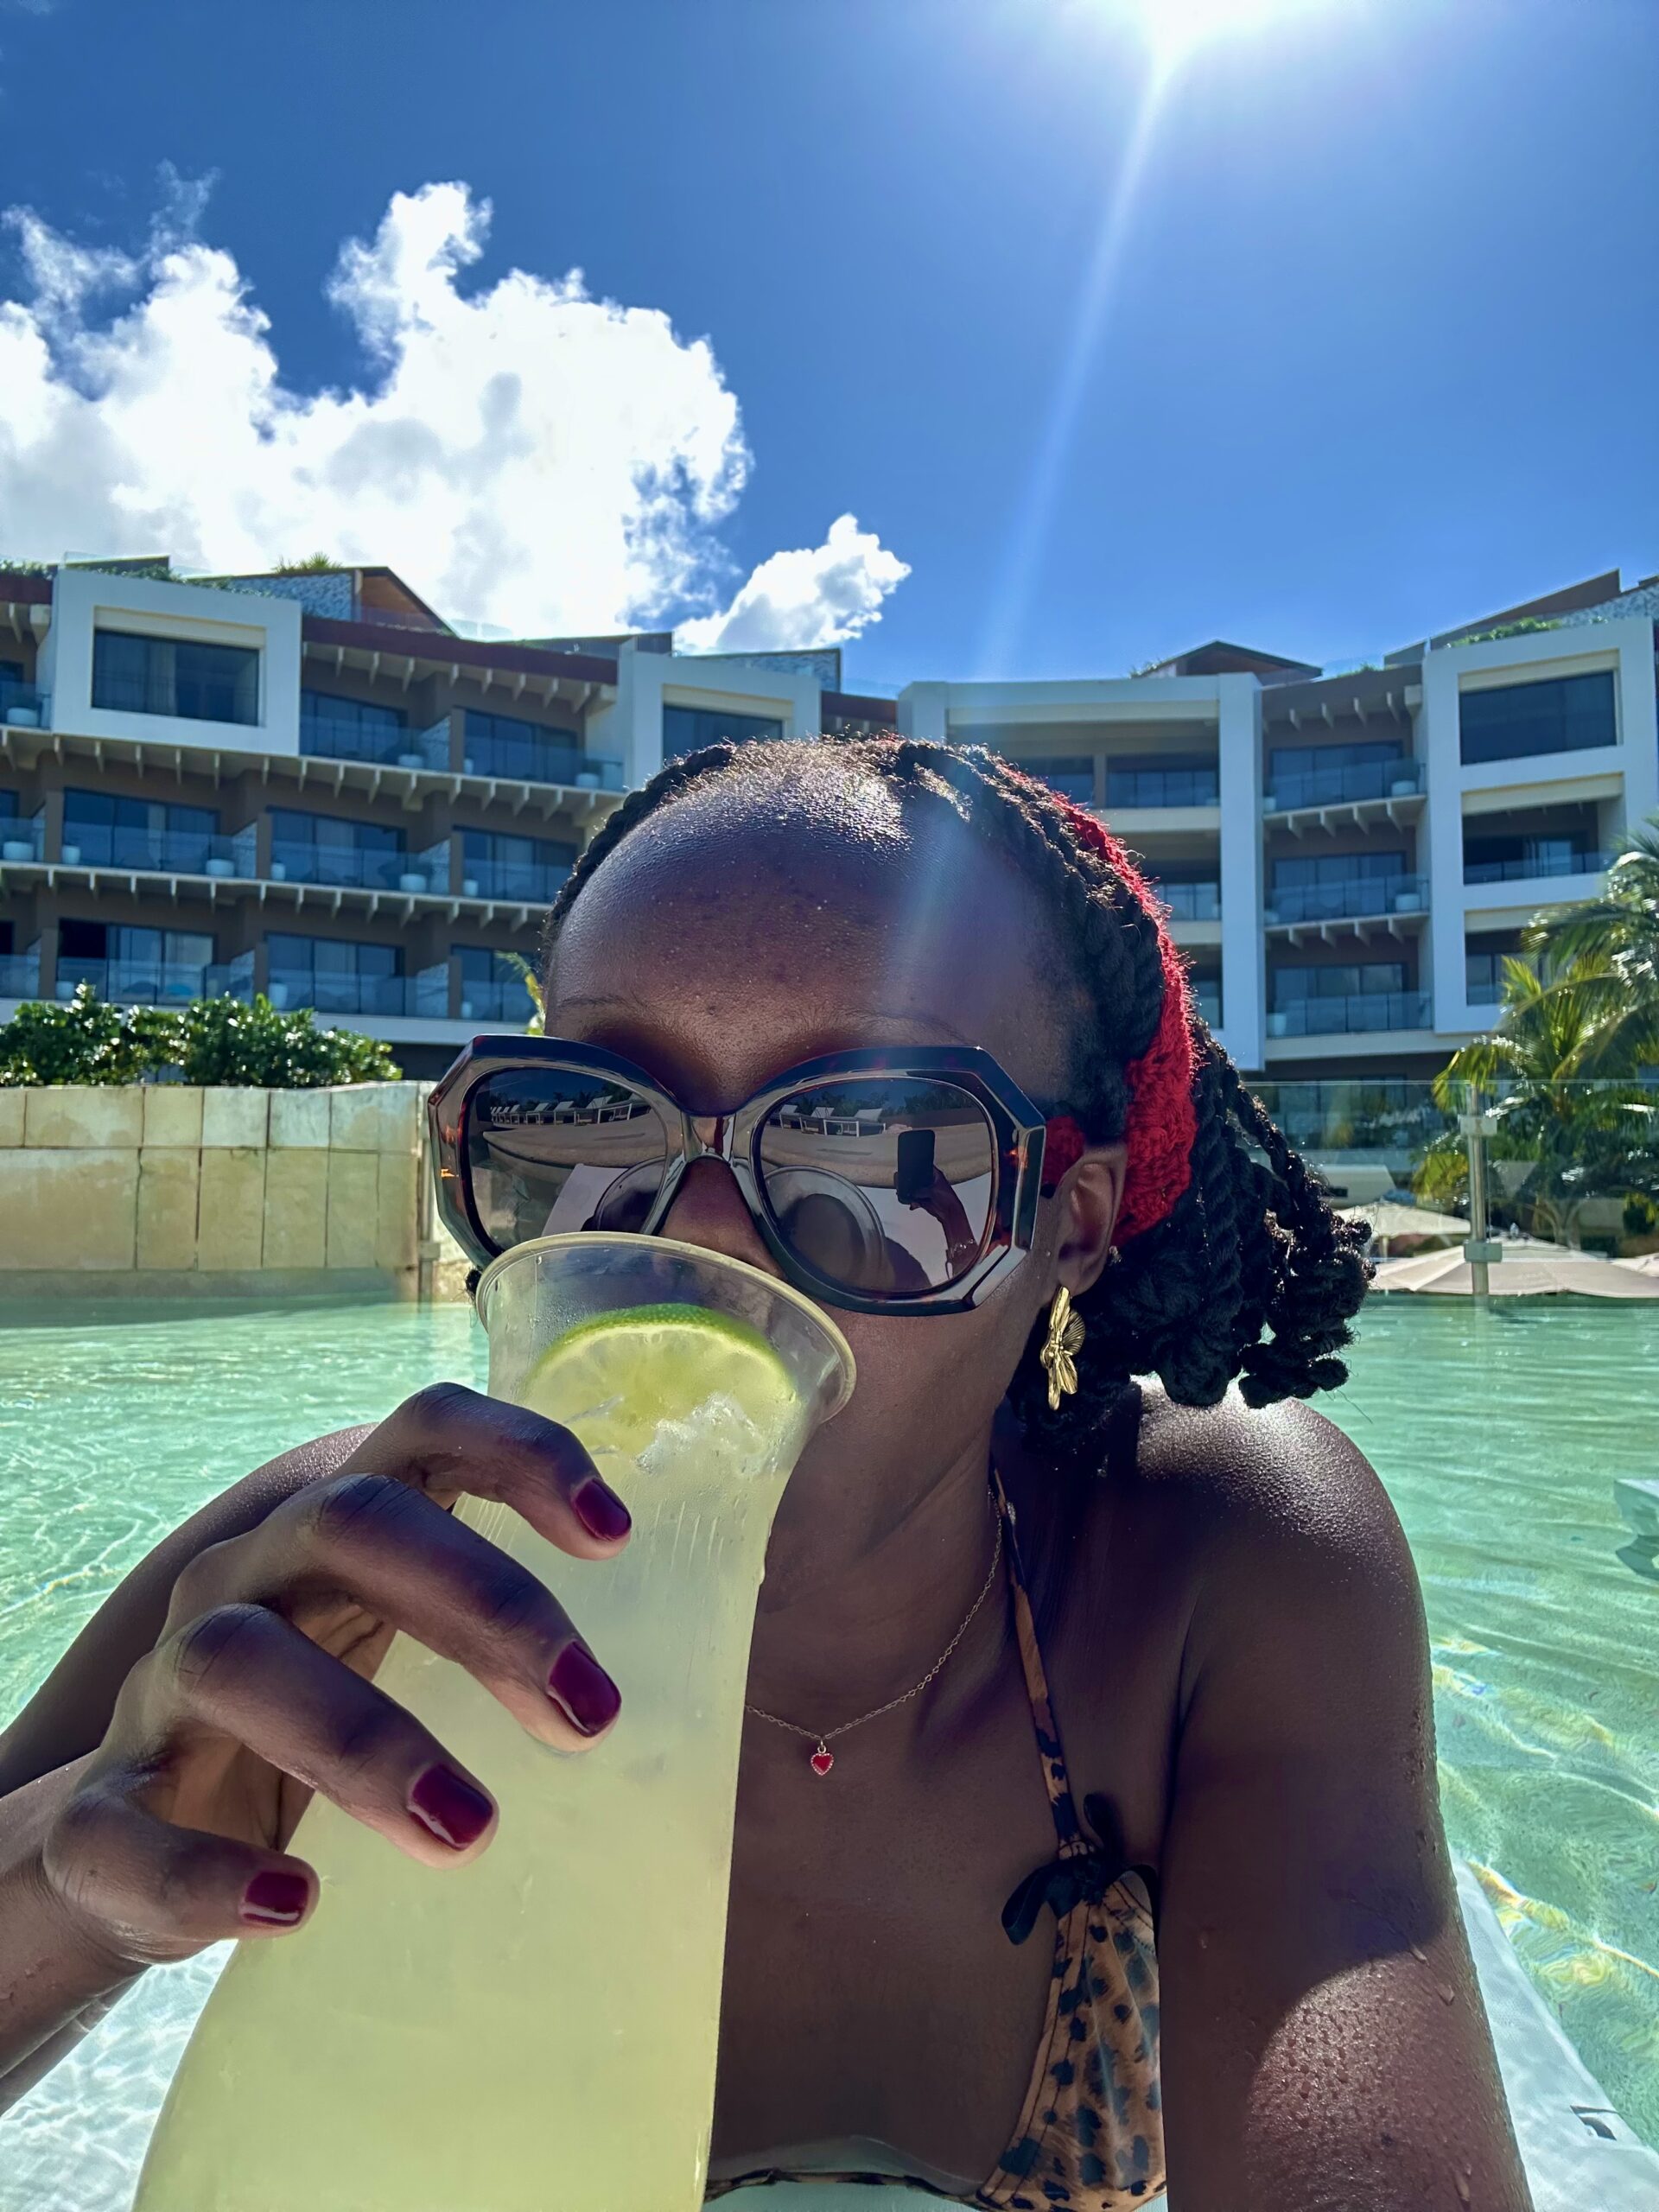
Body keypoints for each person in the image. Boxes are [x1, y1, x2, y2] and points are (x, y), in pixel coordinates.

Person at [0, 734, 1531, 2209]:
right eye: (585, 1124)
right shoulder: (343, 1576)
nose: (696, 1248)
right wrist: (87, 1888)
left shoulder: (1212, 1570)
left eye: (882, 1149)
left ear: (1067, 1221)